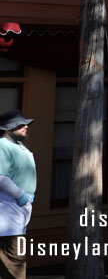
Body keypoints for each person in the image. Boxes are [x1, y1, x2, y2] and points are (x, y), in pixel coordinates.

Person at [0, 110, 35, 279]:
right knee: (15, 265)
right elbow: (0, 177)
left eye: (26, 124)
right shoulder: (2, 145)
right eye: (20, 125)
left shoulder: (17, 146)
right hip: (7, 215)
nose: (26, 127)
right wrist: (22, 195)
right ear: (8, 128)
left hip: (17, 213)